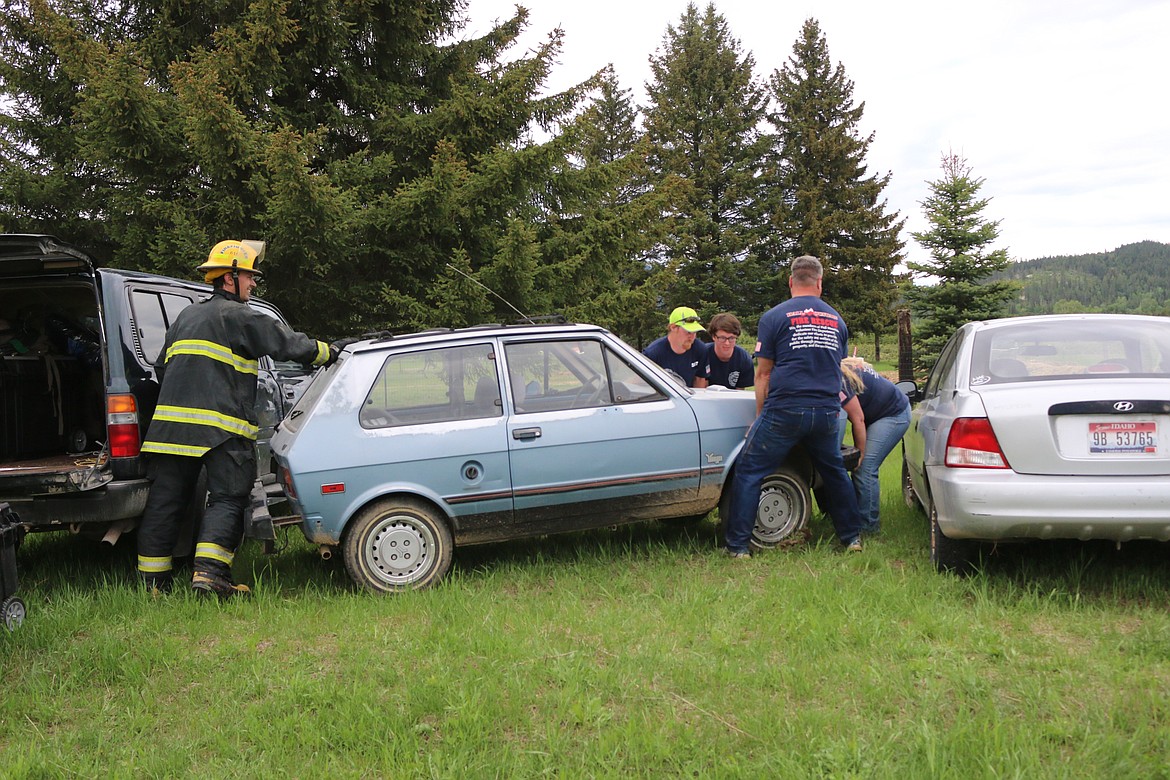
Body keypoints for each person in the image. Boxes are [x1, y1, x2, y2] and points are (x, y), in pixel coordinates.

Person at [136, 240, 338, 598]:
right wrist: (328, 352)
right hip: (221, 431)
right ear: (229, 278)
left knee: (166, 501)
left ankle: (153, 584)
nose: (254, 284)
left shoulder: (186, 317)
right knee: (229, 497)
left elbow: (161, 366)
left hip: (169, 431)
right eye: (249, 276)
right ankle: (210, 576)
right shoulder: (239, 316)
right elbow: (287, 344)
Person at [723, 256, 865, 557]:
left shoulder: (774, 318)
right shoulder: (837, 320)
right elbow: (835, 367)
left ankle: (738, 547)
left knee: (749, 470)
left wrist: (760, 417)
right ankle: (852, 538)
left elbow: (763, 374)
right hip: (827, 411)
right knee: (835, 471)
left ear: (791, 281)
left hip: (785, 409)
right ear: (819, 283)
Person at [839, 356, 911, 533]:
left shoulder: (839, 380)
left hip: (894, 414)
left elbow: (858, 419)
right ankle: (855, 517)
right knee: (860, 466)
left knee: (864, 468)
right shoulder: (837, 367)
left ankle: (869, 527)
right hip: (877, 412)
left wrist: (860, 454)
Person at [643, 306, 709, 387]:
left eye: (695, 332)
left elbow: (700, 380)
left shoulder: (700, 349)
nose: (692, 337)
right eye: (688, 332)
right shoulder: (653, 353)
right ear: (673, 327)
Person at [700, 312, 754, 389]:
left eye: (731, 338)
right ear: (714, 337)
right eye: (722, 338)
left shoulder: (744, 359)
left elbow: (740, 392)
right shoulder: (702, 354)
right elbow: (701, 389)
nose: (727, 343)